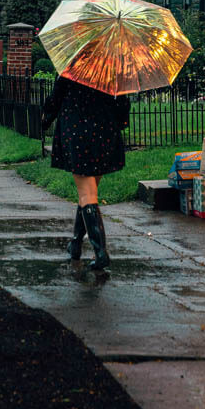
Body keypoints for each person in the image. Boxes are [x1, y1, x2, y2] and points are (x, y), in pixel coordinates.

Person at [41, 75, 130, 270]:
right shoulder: (111, 68)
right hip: (105, 132)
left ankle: (100, 252)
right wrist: (121, 122)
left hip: (77, 129)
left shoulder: (73, 67)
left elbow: (55, 98)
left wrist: (46, 117)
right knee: (89, 193)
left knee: (87, 194)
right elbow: (123, 102)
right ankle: (75, 244)